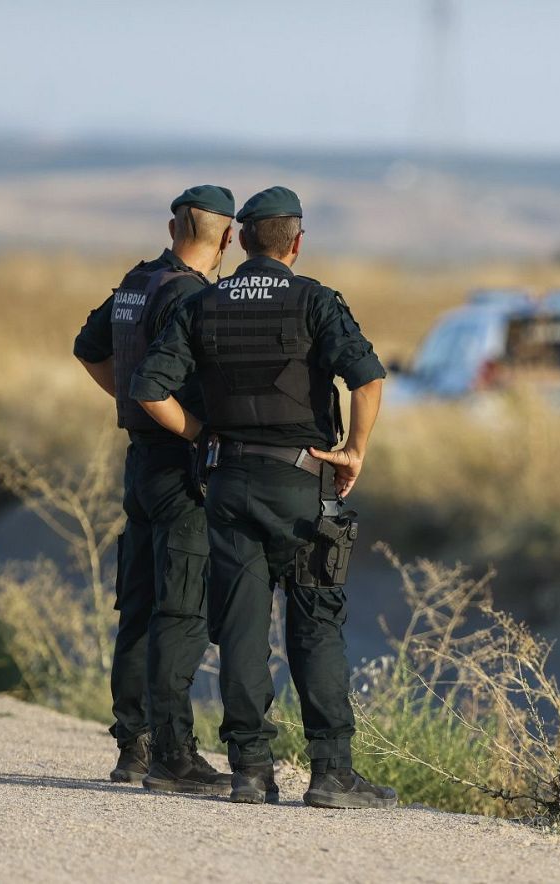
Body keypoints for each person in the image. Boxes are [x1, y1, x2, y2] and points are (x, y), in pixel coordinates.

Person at [130, 186, 397, 808]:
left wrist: (202, 438)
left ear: (241, 240)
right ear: (297, 243)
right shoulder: (316, 301)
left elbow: (149, 388)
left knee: (243, 628)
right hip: (304, 484)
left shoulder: (204, 302)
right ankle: (331, 773)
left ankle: (251, 769)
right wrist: (354, 450)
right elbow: (368, 377)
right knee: (316, 627)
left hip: (227, 485)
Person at [72, 185, 234, 795]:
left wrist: (133, 400)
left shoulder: (138, 284)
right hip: (179, 466)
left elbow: (87, 350)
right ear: (226, 238)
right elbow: (152, 388)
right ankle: (173, 752)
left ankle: (132, 747)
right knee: (180, 608)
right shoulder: (194, 297)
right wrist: (194, 430)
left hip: (139, 462)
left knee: (136, 605)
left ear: (174, 228)